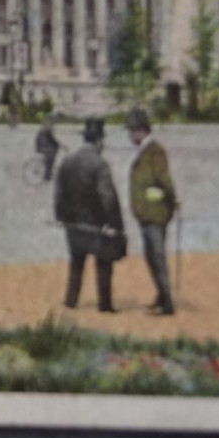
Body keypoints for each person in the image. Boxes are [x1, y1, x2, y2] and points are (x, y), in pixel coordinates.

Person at [53, 118, 125, 312]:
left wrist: (60, 217)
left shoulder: (67, 161)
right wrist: (114, 224)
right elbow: (107, 197)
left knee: (76, 262)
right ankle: (105, 304)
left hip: (73, 224)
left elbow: (59, 192)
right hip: (96, 225)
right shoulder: (100, 164)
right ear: (100, 141)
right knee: (103, 263)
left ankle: (71, 299)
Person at [126, 107, 178, 315]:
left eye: (131, 131)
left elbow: (164, 182)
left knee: (157, 257)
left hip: (154, 216)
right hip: (147, 216)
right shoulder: (146, 150)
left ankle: (167, 303)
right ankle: (161, 295)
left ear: (141, 131)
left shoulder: (155, 151)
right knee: (151, 257)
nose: (129, 136)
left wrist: (170, 205)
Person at [34, 113, 61, 181]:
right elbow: (49, 136)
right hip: (42, 143)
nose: (57, 121)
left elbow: (50, 137)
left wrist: (57, 144)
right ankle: (47, 175)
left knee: (53, 153)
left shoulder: (49, 123)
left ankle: (48, 173)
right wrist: (57, 143)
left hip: (43, 141)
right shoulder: (49, 124)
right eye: (57, 119)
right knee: (50, 157)